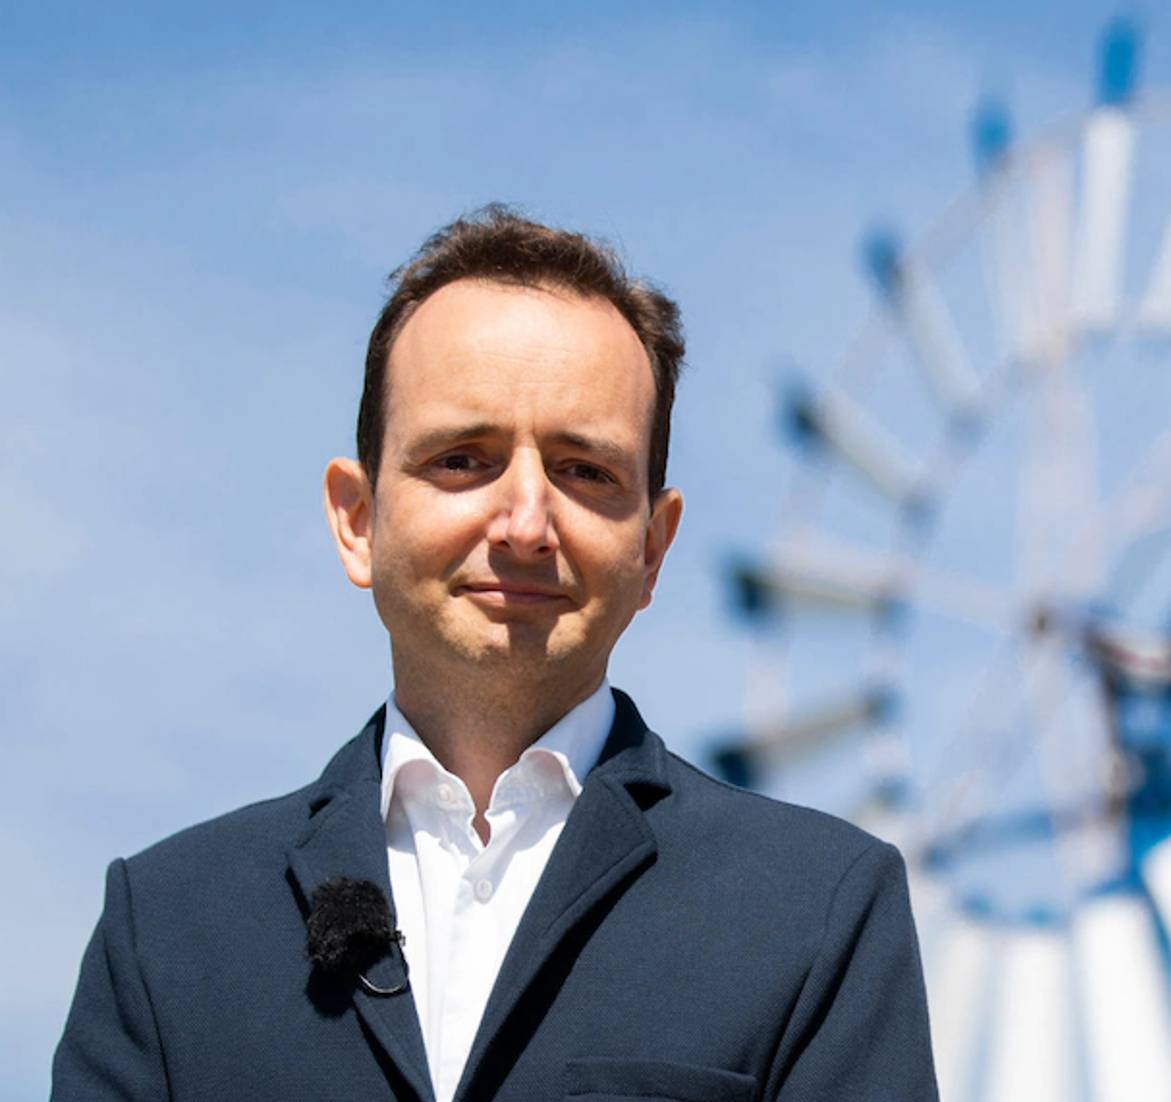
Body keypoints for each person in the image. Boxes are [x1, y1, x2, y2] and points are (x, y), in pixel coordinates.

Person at [52, 205, 939, 1101]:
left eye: (584, 471)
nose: (524, 524)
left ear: (652, 548)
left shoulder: (815, 911)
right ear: (357, 521)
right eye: (462, 460)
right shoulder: (166, 930)